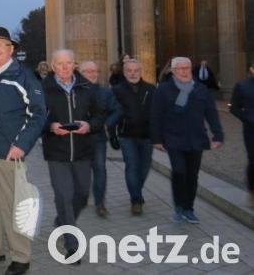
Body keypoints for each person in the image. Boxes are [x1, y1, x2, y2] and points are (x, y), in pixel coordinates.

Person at [0, 27, 45, 275]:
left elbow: (38, 114)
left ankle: (21, 256)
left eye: (1, 45)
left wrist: (22, 144)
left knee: (13, 205)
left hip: (8, 153)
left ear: (11, 49)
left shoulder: (23, 77)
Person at [41, 49, 104, 264]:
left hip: (82, 151)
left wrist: (89, 125)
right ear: (53, 66)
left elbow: (99, 117)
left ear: (74, 64)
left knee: (83, 195)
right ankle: (72, 244)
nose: (65, 67)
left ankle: (62, 220)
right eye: (60, 63)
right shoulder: (43, 89)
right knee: (64, 196)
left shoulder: (88, 88)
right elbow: (35, 118)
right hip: (57, 152)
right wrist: (50, 126)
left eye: (69, 63)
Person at [151, 57, 224, 224]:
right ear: (174, 71)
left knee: (192, 175)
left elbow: (211, 113)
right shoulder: (163, 90)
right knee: (179, 172)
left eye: (187, 68)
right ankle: (178, 206)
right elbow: (156, 115)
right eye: (180, 68)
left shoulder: (201, 89)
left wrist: (218, 135)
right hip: (173, 138)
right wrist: (156, 139)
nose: (184, 71)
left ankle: (189, 208)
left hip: (196, 138)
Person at [78, 60, 122, 218]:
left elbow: (117, 110)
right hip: (77, 139)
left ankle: (100, 203)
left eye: (95, 71)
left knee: (100, 169)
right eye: (88, 71)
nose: (92, 74)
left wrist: (106, 125)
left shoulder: (105, 92)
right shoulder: (72, 92)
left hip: (98, 138)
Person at [112, 59, 156, 215]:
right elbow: (112, 114)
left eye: (136, 70)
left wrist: (158, 136)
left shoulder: (151, 89)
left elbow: (157, 115)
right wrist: (112, 136)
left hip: (147, 136)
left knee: (144, 167)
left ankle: (136, 190)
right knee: (132, 166)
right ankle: (136, 200)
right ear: (124, 72)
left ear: (140, 71)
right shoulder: (117, 90)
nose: (132, 73)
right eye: (129, 70)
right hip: (126, 135)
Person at [230, 64, 254, 206]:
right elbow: (234, 108)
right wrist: (248, 118)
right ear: (251, 69)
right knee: (253, 161)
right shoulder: (242, 85)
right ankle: (252, 191)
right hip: (251, 130)